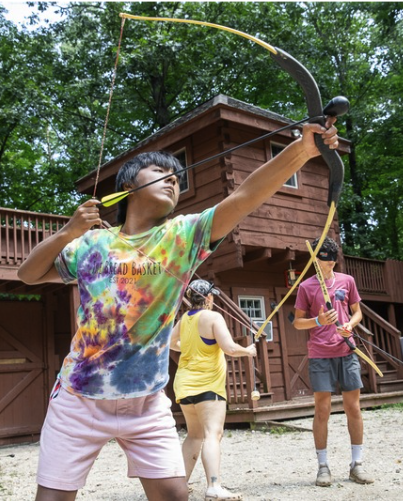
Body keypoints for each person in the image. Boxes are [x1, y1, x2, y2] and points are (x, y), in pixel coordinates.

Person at [17, 117, 340, 501]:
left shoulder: (182, 235)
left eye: (177, 176)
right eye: (160, 172)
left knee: (174, 494)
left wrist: (302, 150)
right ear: (127, 187)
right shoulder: (92, 244)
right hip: (78, 397)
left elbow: (243, 198)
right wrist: (69, 232)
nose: (173, 179)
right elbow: (28, 274)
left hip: (147, 402)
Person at [293, 236, 374, 487]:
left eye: (329, 263)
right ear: (315, 259)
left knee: (354, 408)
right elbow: (297, 322)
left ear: (334, 260)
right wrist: (318, 322)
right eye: (321, 262)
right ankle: (323, 467)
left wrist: (349, 323)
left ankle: (356, 465)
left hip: (347, 350)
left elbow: (357, 311)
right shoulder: (306, 286)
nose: (326, 267)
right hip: (320, 353)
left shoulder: (347, 281)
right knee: (322, 410)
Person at [170, 279, 256, 501]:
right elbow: (228, 347)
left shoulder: (184, 320)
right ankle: (214, 485)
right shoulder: (213, 317)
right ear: (208, 297)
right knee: (212, 434)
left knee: (194, 435)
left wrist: (186, 347)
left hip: (184, 385)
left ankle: (180, 484)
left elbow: (170, 343)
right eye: (213, 296)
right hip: (208, 385)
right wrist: (248, 351)